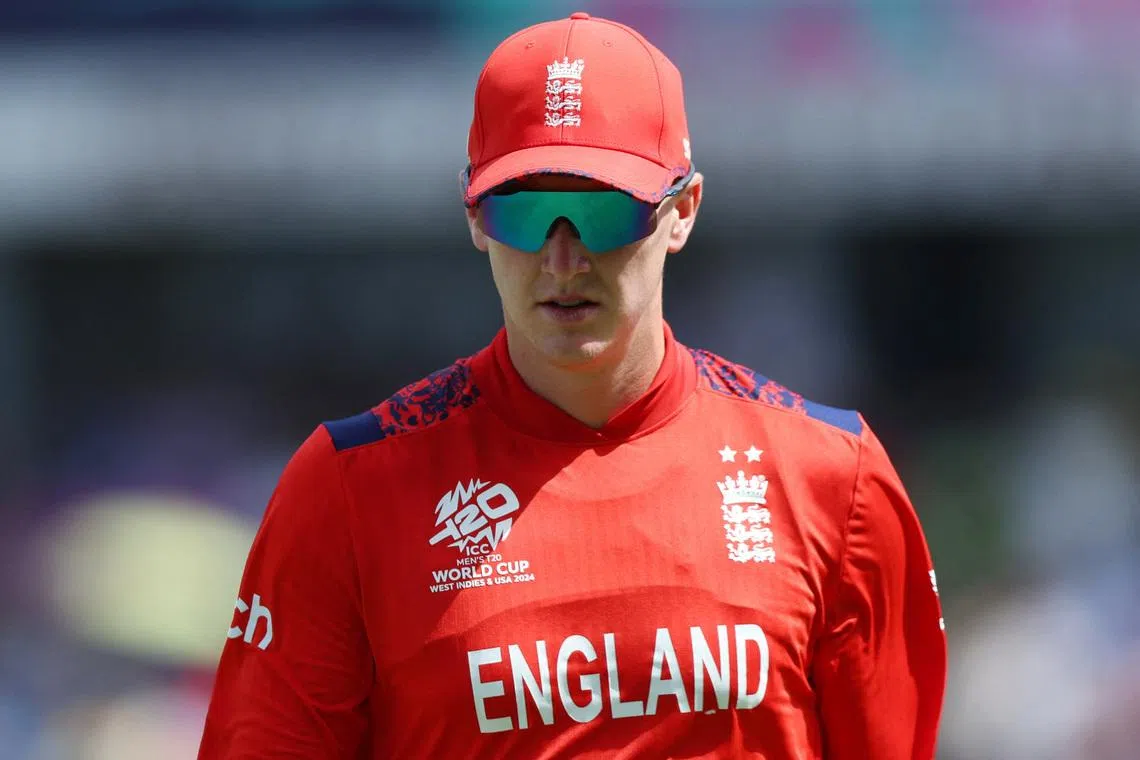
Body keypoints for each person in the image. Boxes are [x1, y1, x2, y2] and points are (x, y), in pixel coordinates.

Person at [197, 12, 947, 760]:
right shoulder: (348, 489)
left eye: (600, 209)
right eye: (523, 211)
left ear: (681, 212)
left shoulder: (832, 478)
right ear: (474, 217)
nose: (563, 259)